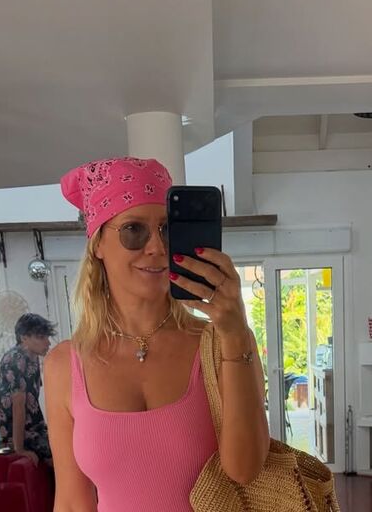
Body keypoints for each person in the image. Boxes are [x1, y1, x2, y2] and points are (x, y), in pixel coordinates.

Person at [45, 157, 269, 511]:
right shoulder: (64, 365)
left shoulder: (221, 345)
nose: (156, 247)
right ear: (98, 244)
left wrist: (236, 332)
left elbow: (245, 470)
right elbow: (73, 501)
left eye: (167, 230)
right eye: (133, 230)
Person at [0, 312, 57, 466]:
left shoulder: (32, 358)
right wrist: (19, 448)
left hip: (34, 429)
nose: (48, 343)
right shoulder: (16, 359)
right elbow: (18, 407)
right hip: (21, 434)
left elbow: (31, 403)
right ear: (24, 338)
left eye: (47, 337)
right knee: (63, 453)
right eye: (41, 337)